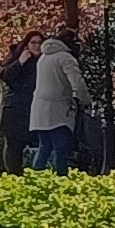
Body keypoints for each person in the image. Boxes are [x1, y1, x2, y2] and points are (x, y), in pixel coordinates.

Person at [24, 29, 85, 172]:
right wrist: (85, 100)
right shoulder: (65, 58)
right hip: (58, 110)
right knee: (61, 149)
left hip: (39, 108)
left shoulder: (44, 57)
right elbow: (77, 83)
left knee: (44, 146)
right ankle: (60, 180)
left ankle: (35, 178)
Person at [0, 34, 42, 172]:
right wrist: (20, 62)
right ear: (27, 44)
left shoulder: (45, 61)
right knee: (13, 146)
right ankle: (13, 176)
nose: (37, 46)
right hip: (15, 109)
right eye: (33, 42)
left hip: (36, 109)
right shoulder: (16, 57)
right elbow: (5, 76)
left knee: (41, 145)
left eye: (40, 42)